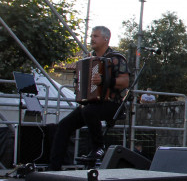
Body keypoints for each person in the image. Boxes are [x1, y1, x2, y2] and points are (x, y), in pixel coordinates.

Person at [49, 26, 130, 170]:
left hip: (113, 103)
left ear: (106, 39)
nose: (92, 39)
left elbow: (124, 82)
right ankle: (54, 167)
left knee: (89, 111)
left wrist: (104, 80)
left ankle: (98, 147)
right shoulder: (89, 59)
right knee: (63, 125)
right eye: (91, 36)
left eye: (96, 36)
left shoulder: (116, 58)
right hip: (92, 104)